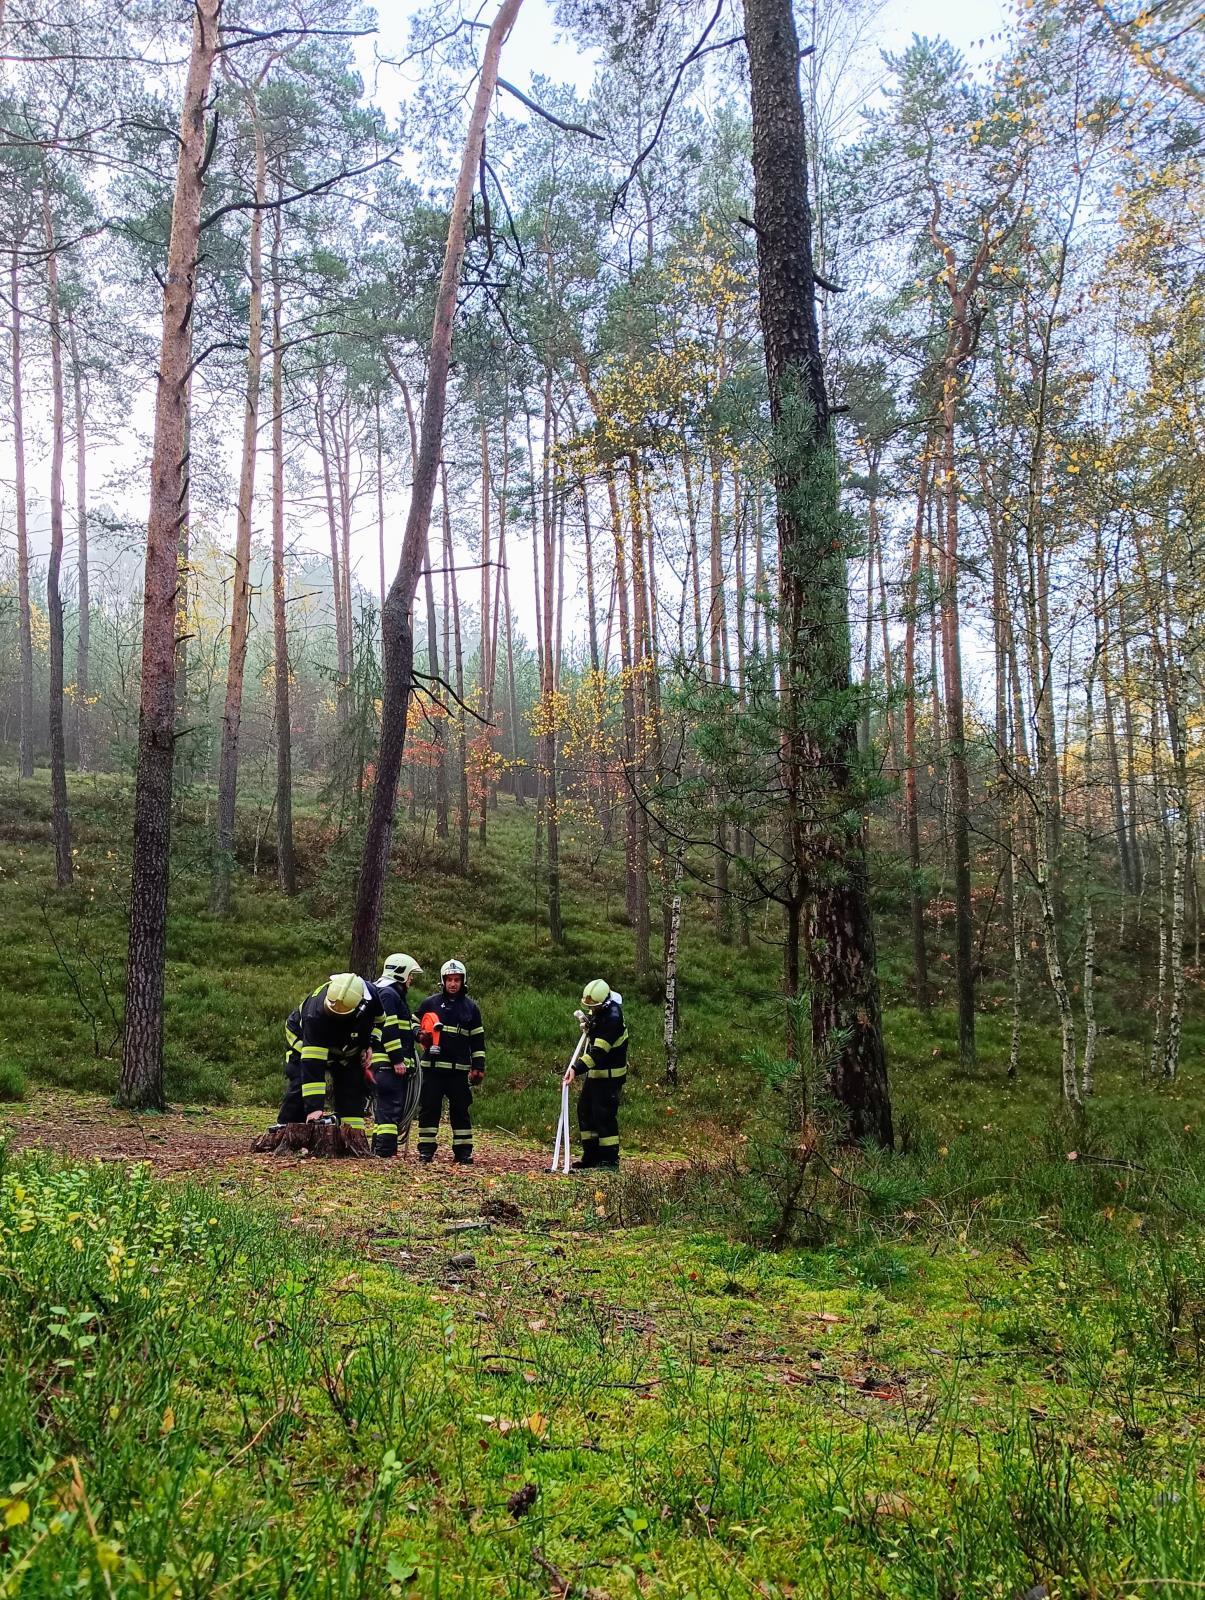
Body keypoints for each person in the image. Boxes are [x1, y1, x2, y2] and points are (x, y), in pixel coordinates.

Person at [275, 973, 403, 1134]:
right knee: (301, 1082)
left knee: (352, 1086)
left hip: (348, 1046)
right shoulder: (315, 1015)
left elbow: (380, 1020)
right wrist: (315, 1109)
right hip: (304, 1038)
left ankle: (353, 1138)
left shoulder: (371, 998)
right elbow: (312, 1066)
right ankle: (286, 1129)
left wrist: (370, 1044)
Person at [414, 959, 486, 1165]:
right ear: (442, 981)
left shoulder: (471, 1008)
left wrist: (478, 1067)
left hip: (458, 1071)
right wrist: (420, 1034)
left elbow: (477, 1041)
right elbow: (413, 1022)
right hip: (433, 1069)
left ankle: (463, 1152)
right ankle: (426, 1150)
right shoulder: (430, 1003)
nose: (453, 984)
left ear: (463, 981)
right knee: (429, 1109)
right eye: (449, 980)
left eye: (457, 980)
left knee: (461, 1111)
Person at [564, 979, 628, 1170]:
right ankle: (591, 1157)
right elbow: (596, 1024)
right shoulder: (601, 1011)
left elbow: (598, 1054)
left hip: (609, 1077)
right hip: (596, 1075)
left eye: (595, 1007)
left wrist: (575, 1068)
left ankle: (609, 1160)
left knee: (604, 1115)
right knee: (585, 1111)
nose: (593, 1010)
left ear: (605, 1003)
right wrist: (589, 1024)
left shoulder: (613, 1018)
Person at [371, 953, 423, 1158]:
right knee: (390, 1110)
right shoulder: (389, 995)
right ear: (401, 974)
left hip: (383, 1065)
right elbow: (389, 1028)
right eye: (410, 975)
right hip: (387, 1065)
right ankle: (384, 1153)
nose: (411, 980)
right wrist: (397, 1059)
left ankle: (377, 1150)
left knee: (383, 1112)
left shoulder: (388, 994)